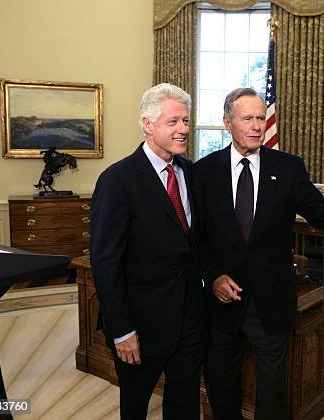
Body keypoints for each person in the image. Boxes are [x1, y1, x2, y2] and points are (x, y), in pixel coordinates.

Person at [193, 87, 324, 420]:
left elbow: (320, 212)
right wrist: (214, 275)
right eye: (247, 117)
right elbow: (197, 239)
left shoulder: (288, 168)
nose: (256, 125)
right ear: (227, 122)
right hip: (220, 303)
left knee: (273, 389)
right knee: (221, 384)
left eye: (261, 117)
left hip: (270, 301)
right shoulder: (203, 172)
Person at [90, 83, 203, 419]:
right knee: (136, 407)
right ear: (147, 123)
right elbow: (105, 263)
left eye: (186, 121)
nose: (183, 129)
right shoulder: (117, 180)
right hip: (140, 326)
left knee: (184, 405)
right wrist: (122, 330)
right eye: (173, 122)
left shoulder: (190, 173)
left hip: (190, 321)